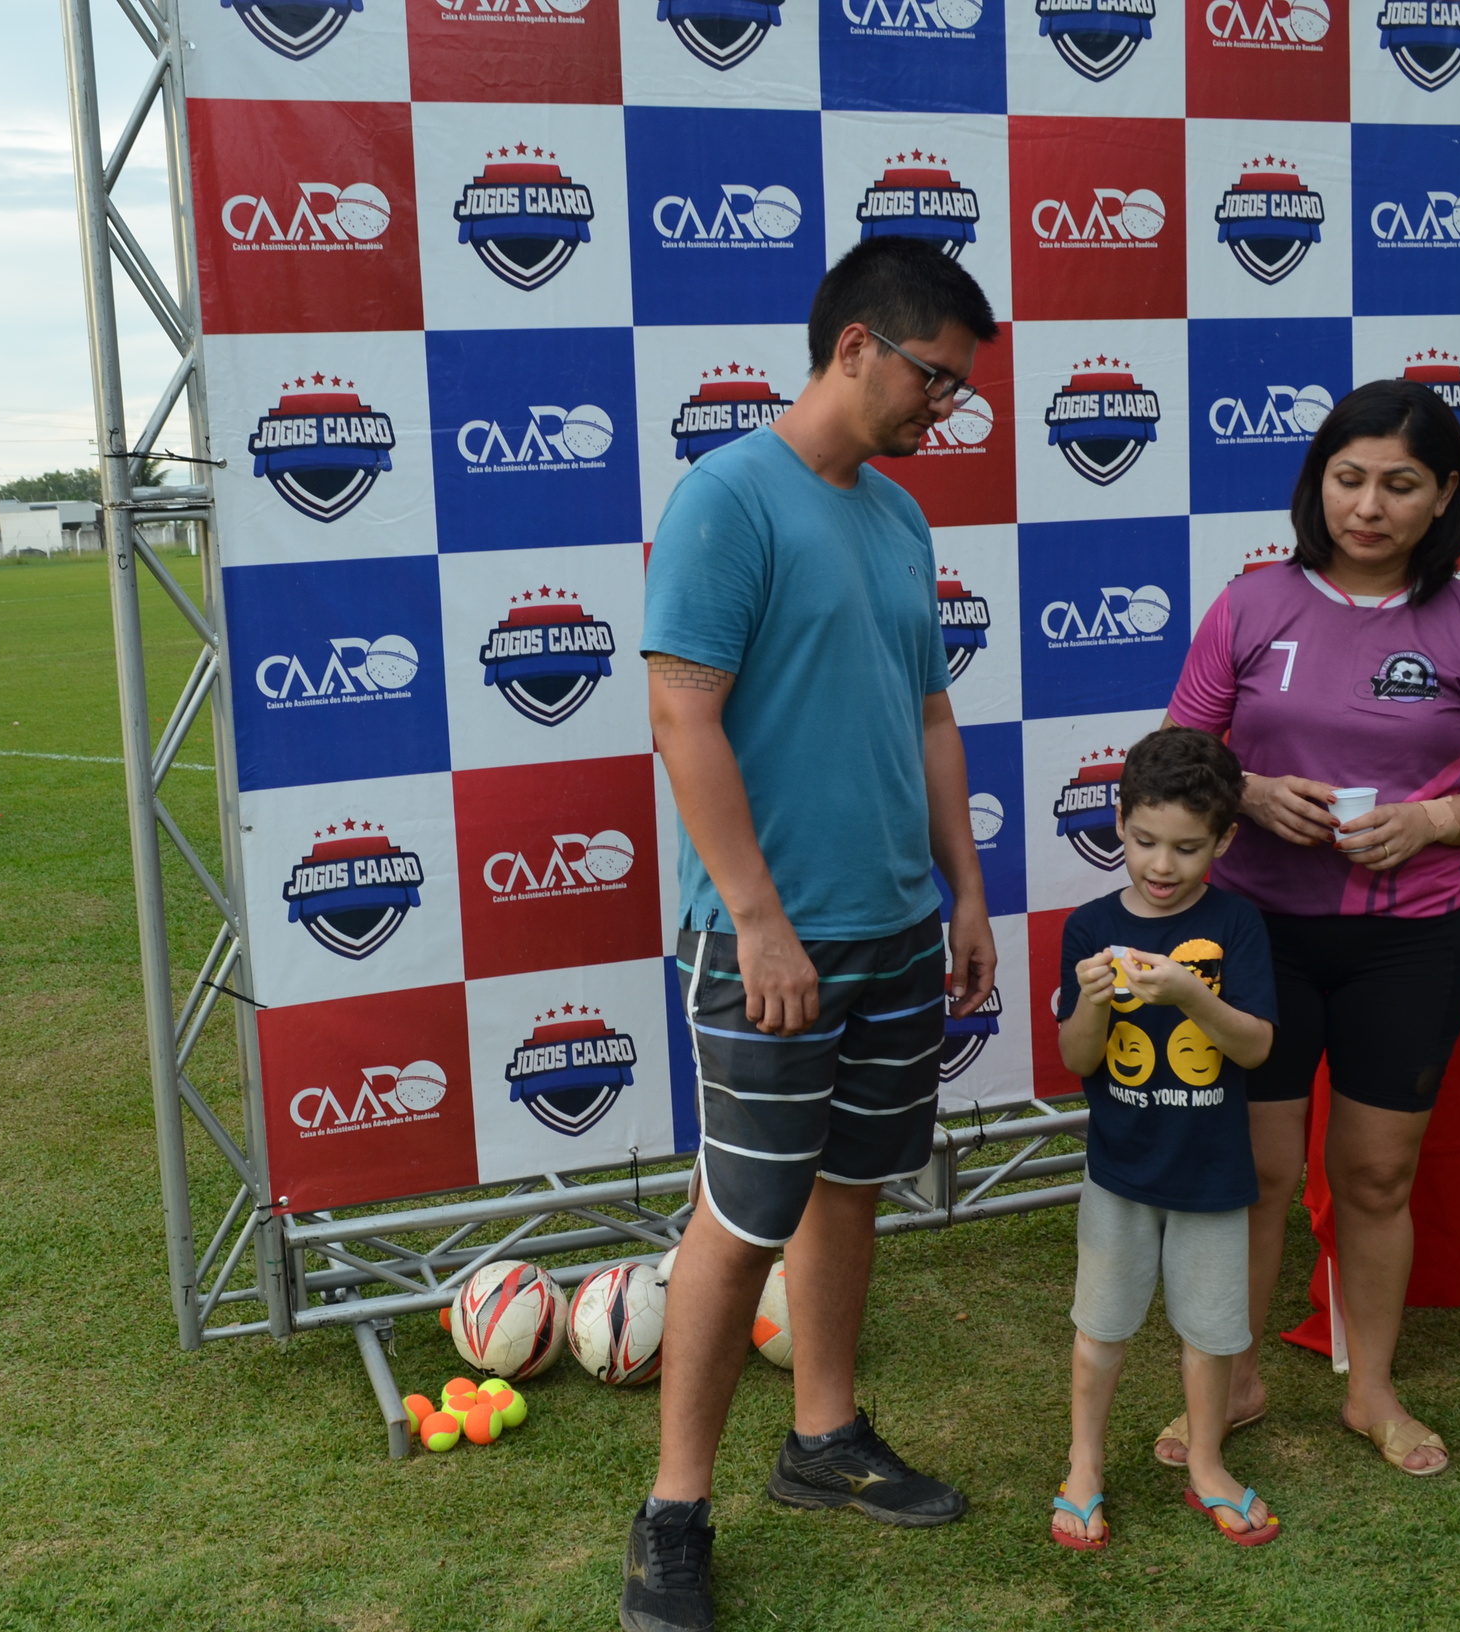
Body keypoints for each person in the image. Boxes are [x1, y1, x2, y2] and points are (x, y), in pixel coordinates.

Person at [622, 237, 999, 1632]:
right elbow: (682, 717)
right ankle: (673, 1513)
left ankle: (823, 1440)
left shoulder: (897, 514)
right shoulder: (727, 497)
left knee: (851, 1190)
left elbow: (930, 715)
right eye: (935, 378)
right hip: (771, 946)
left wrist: (964, 892)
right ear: (854, 347)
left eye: (958, 388)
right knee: (739, 1220)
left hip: (898, 927)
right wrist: (761, 922)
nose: (945, 407)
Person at [1156, 378, 1460, 1479]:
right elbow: (1177, 761)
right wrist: (1246, 791)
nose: (1368, 506)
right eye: (1349, 478)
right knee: (1256, 1173)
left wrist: (1432, 821)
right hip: (1259, 939)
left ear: (1445, 498)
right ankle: (1231, 1380)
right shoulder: (1250, 605)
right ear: (1316, 482)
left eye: (1400, 485)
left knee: (1376, 1177)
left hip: (1407, 943)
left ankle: (1369, 1389)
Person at [1053, 727, 1281, 1551]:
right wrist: (1091, 1002)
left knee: (1213, 1334)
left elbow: (1255, 1047)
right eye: (1146, 840)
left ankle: (1208, 1464)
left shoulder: (1237, 923)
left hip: (1213, 1175)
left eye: (1187, 848)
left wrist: (1191, 993)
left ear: (1224, 840)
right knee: (1100, 1329)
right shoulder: (1088, 928)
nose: (1161, 864)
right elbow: (1077, 1058)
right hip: (1118, 1172)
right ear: (1119, 822)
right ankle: (1083, 1464)